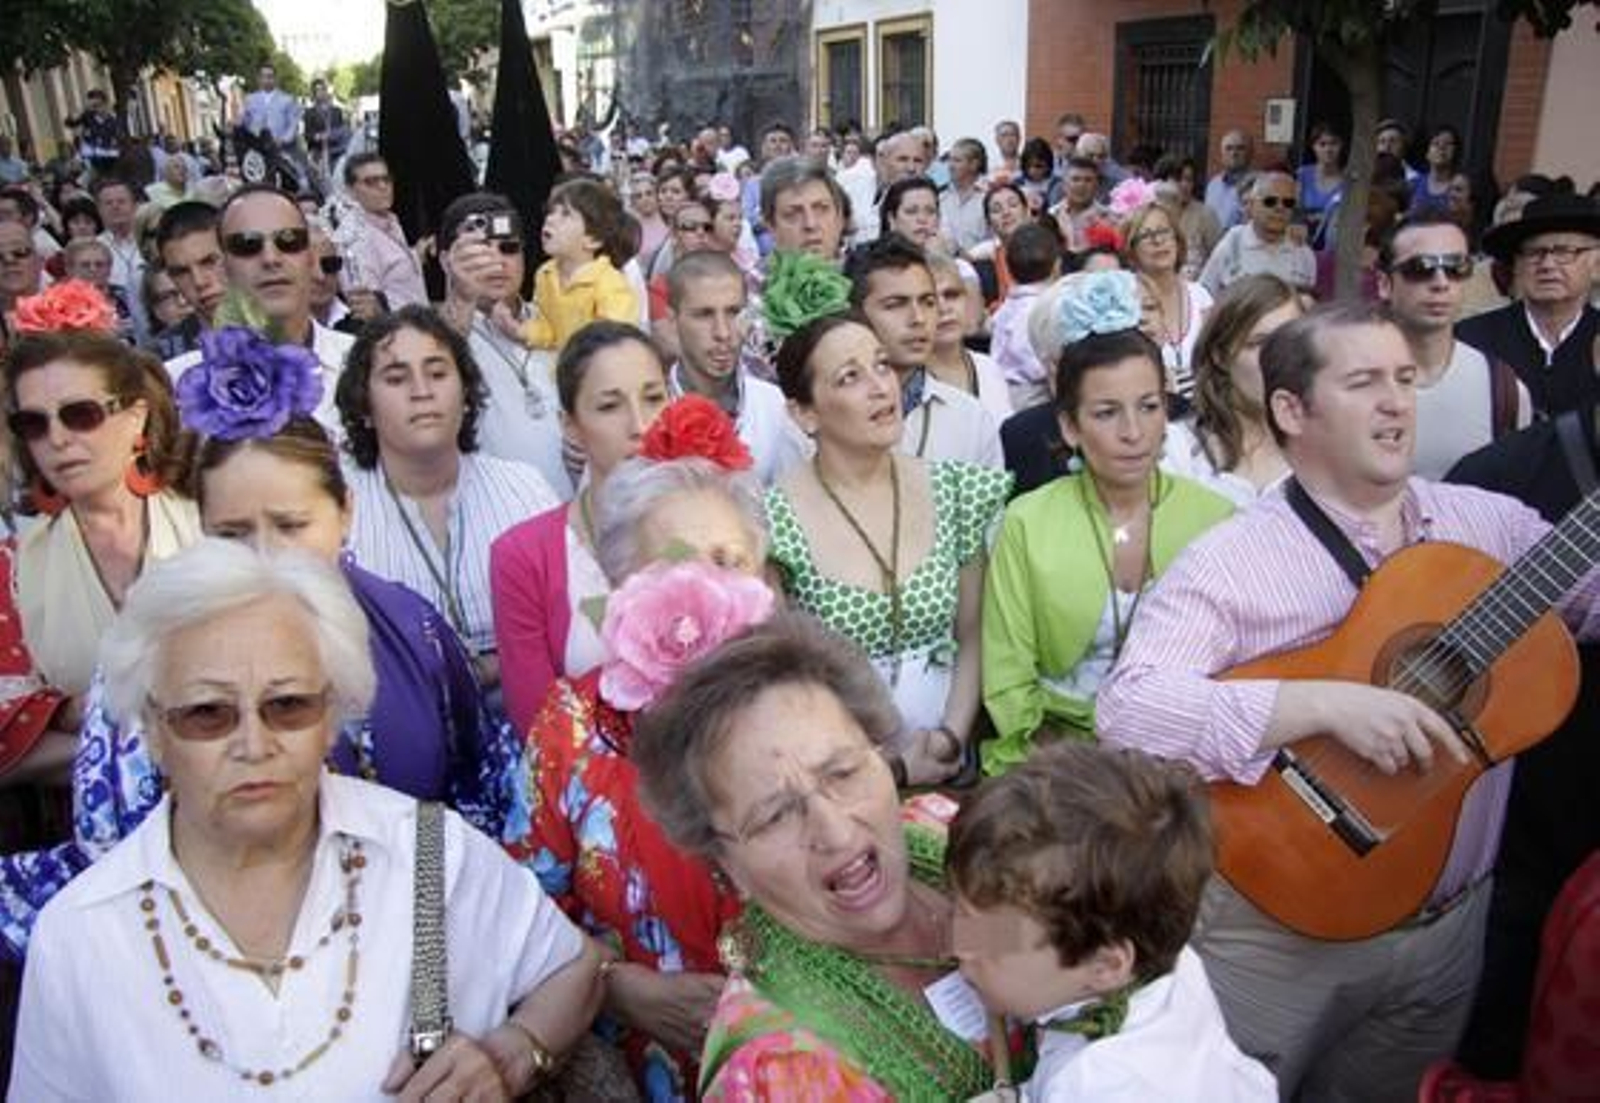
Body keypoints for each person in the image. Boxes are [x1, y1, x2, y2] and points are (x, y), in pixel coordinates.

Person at [1096, 300, 1600, 1101]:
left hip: (1447, 934)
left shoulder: (1490, 526)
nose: (1396, 400)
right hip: (1274, 929)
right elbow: (1130, 709)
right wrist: (1323, 706)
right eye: (1364, 381)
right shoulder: (1231, 560)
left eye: (1404, 378)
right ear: (1292, 409)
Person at [10, 538, 602, 1100]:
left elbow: (574, 968)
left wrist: (514, 1053)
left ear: (331, 715)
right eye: (208, 714)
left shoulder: (425, 852)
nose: (253, 743)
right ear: (155, 733)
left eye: (287, 705)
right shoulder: (82, 936)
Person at [630, 612, 1015, 1099]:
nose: (834, 832)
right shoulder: (776, 1070)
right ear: (728, 866)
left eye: (843, 771)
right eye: (775, 817)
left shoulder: (944, 834)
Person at [502, 404, 772, 1097]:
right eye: (671, 565)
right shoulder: (572, 724)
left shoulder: (808, 704)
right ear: (623, 585)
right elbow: (525, 916)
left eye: (727, 560)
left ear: (763, 574)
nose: (701, 586)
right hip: (635, 1063)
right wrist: (621, 989)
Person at [982, 291, 1232, 770]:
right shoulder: (1026, 522)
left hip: (1182, 752)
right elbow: (1007, 674)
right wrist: (1069, 760)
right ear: (1070, 427)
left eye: (1149, 406)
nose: (1134, 432)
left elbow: (1231, 667)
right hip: (1056, 755)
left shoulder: (1215, 519)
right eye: (1106, 412)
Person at [766, 296, 1010, 785]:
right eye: (849, 378)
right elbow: (785, 681)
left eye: (880, 366)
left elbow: (972, 633)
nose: (881, 387)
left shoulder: (955, 489)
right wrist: (887, 768)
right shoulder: (772, 520)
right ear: (804, 413)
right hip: (838, 773)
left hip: (956, 760)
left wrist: (950, 737)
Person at [949, 741, 1276, 1102]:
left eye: (997, 939)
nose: (959, 942)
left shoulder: (1098, 1084)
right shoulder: (1172, 965)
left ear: (1105, 965)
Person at [337, 305, 558, 704]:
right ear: (364, 407)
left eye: (438, 373)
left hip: (528, 725)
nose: (421, 391)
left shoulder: (525, 490)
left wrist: (496, 666)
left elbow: (565, 629)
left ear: (467, 394)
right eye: (396, 378)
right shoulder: (336, 511)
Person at [6, 315, 200, 749]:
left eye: (80, 415)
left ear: (136, 417)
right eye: (33, 424)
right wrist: (129, 758)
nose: (57, 439)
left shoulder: (213, 519)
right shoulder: (12, 569)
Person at [491, 322, 671, 735]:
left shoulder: (709, 527)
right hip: (585, 786)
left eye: (654, 398)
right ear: (570, 424)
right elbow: (538, 726)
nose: (640, 425)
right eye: (610, 406)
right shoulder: (522, 555)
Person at [1376, 213, 1530, 478]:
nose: (1441, 283)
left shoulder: (1504, 388)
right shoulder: (1343, 377)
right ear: (1384, 284)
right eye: (1420, 268)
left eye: (1455, 268)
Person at [438, 192, 571, 496]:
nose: (497, 261)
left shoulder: (554, 319)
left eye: (508, 247)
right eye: (480, 249)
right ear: (447, 260)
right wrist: (462, 299)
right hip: (494, 519)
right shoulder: (436, 334)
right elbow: (435, 369)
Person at [845, 236, 1004, 468]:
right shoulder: (820, 418)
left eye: (927, 302)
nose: (918, 319)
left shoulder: (970, 419)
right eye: (895, 304)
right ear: (856, 313)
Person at [665, 250, 806, 484]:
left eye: (733, 312)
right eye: (704, 315)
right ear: (672, 321)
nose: (723, 332)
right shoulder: (649, 413)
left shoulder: (774, 405)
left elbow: (794, 504)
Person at [1162, 274, 1303, 505]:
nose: (1280, 356)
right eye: (1259, 343)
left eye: (1292, 340)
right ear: (1220, 356)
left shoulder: (1325, 449)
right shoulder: (1179, 450)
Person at [1456, 192, 1600, 416]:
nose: (1547, 264)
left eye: (1564, 252)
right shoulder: (1472, 339)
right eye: (1534, 252)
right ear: (1517, 266)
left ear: (1597, 266)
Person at [513, 178, 638, 354]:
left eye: (565, 214)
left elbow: (615, 344)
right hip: (560, 373)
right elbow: (548, 329)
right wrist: (519, 330)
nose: (550, 219)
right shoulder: (545, 273)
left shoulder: (609, 284)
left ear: (593, 239)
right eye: (551, 212)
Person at [1123, 201, 1214, 405]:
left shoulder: (1200, 295)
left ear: (1177, 240)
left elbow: (1215, 362)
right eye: (1146, 235)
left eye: (1164, 231)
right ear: (1131, 251)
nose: (1158, 241)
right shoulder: (1124, 301)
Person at [1198, 171, 1317, 296]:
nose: (1279, 208)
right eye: (1270, 201)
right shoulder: (1233, 243)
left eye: (1288, 203)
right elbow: (1204, 294)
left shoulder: (1304, 254)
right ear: (1252, 205)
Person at [925, 251, 1011, 423]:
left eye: (951, 295)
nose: (944, 308)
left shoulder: (989, 368)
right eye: (929, 301)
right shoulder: (905, 385)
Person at [338, 152, 428, 311]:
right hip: (395, 330)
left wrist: (415, 254)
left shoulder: (390, 221)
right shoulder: (354, 237)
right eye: (371, 182)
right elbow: (366, 306)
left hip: (419, 324)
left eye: (386, 179)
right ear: (351, 190)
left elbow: (393, 270)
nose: (382, 186)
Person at [990, 223, 1060, 410]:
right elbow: (1033, 363)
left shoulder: (1010, 306)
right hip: (1029, 395)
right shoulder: (1035, 308)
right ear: (1056, 265)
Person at [154, 201, 228, 329]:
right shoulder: (167, 348)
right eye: (182, 272)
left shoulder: (274, 328)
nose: (199, 282)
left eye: (209, 262)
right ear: (171, 278)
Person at [1296, 123, 1346, 249]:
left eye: (1334, 143)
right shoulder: (1303, 174)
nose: (1328, 149)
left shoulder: (1348, 182)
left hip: (1333, 244)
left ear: (1341, 146)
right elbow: (1296, 210)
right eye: (1322, 144)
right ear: (1314, 147)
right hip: (1302, 240)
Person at [1049, 157, 1109, 255]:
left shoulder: (1110, 218)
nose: (1081, 185)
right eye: (1075, 179)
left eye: (1088, 180)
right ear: (1064, 185)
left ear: (1097, 185)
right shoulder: (1051, 216)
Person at [941, 139, 990, 255]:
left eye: (957, 161)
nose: (950, 166)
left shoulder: (990, 195)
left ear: (974, 164)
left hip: (982, 266)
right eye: (949, 160)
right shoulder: (940, 197)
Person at [1409, 125, 1463, 218]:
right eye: (1436, 143)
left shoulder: (1460, 187)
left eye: (1448, 143)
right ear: (1427, 153)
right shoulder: (1413, 185)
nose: (1441, 147)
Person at [1205, 131, 1253, 231]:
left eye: (1240, 148)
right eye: (1229, 148)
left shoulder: (1258, 184)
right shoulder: (1213, 185)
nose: (1234, 153)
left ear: (1250, 153)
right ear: (1221, 153)